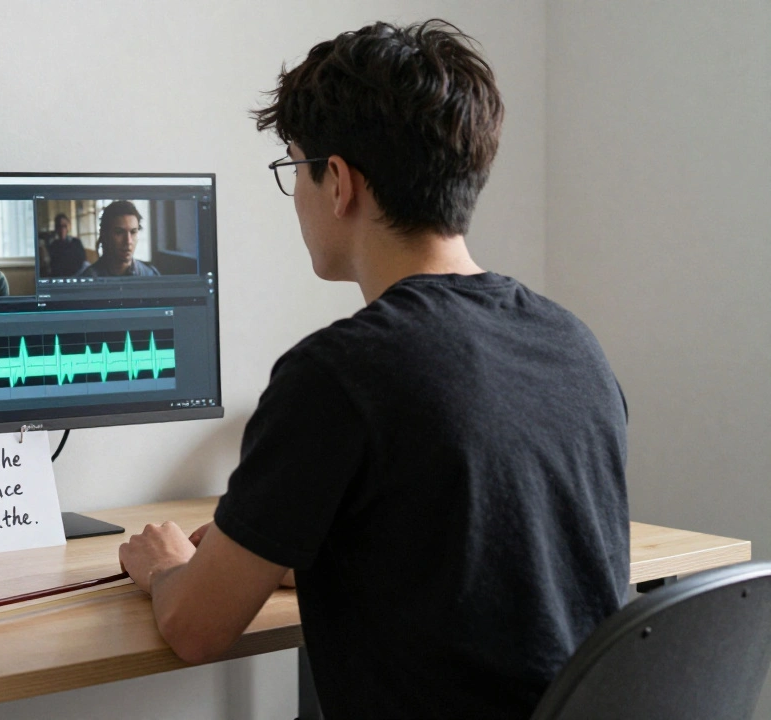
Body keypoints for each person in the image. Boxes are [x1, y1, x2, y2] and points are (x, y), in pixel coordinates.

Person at [117, 20, 628, 719]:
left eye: (294, 166)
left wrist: (168, 568)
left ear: (340, 184)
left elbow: (196, 630)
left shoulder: (337, 375)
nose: (294, 192)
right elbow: (477, 546)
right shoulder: (571, 343)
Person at [79, 201, 160, 277]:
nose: (128, 241)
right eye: (119, 232)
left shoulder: (150, 274)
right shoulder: (90, 278)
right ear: (105, 235)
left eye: (133, 232)